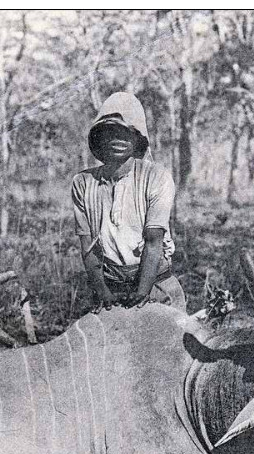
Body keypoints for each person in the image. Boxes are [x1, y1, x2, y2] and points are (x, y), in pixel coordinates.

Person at [72, 92, 186, 313]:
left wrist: (142, 292)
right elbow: (88, 247)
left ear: (138, 138)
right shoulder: (83, 183)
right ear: (98, 138)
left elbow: (154, 242)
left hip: (155, 286)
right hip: (109, 289)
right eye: (109, 132)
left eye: (125, 132)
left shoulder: (156, 177)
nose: (117, 139)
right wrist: (103, 292)